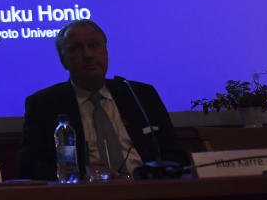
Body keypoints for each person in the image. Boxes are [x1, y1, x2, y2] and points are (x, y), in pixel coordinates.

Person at [18, 19, 186, 180]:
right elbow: (30, 167)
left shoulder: (139, 94)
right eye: (76, 48)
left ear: (105, 51)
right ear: (63, 61)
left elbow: (175, 155)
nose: (88, 55)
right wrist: (84, 175)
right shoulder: (44, 104)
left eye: (94, 45)